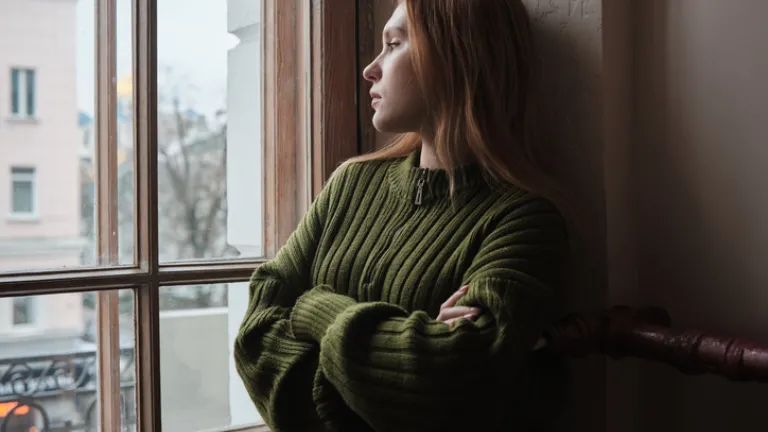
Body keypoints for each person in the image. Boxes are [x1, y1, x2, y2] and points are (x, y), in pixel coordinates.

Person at [234, 0, 573, 430]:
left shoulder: (524, 221)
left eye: (393, 44)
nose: (370, 70)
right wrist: (400, 354)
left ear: (456, 57)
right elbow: (257, 327)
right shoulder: (350, 185)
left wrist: (313, 306)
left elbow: (446, 385)